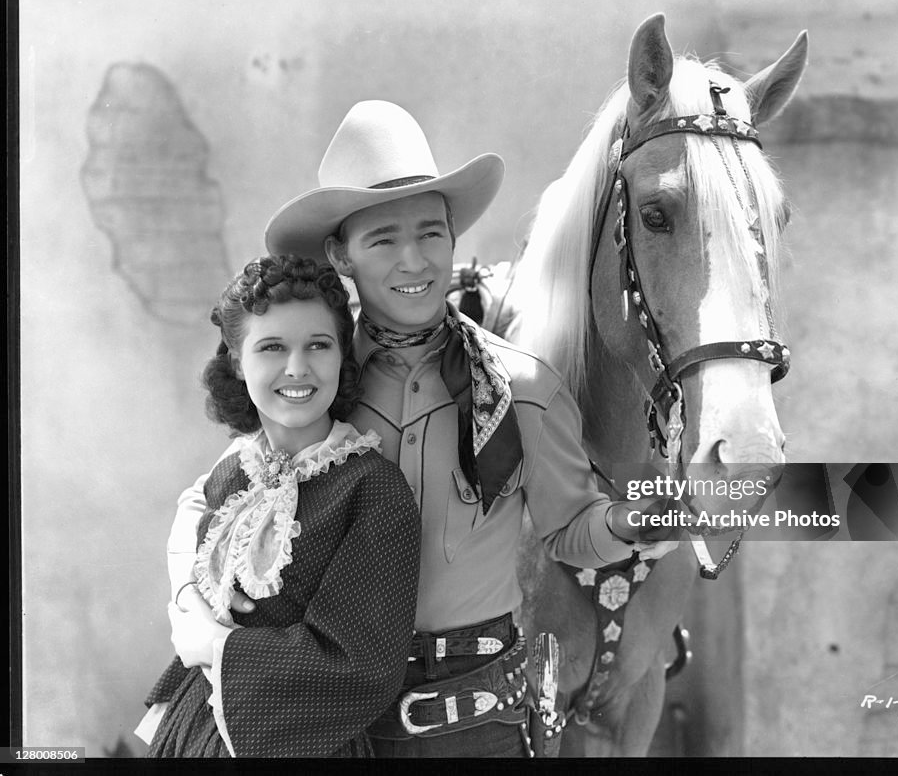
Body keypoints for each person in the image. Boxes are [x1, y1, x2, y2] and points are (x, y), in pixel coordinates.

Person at [165, 101, 679, 758]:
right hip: (331, 726)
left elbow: (573, 530)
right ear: (340, 254)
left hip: (476, 726)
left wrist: (635, 522)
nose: (414, 260)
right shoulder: (316, 384)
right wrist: (191, 607)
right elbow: (232, 491)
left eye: (431, 234)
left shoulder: (522, 389)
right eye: (383, 240)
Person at [137, 254, 420, 757]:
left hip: (294, 741)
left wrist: (218, 648)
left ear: (340, 357)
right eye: (272, 347)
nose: (297, 367)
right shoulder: (232, 473)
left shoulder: (372, 490)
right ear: (236, 362)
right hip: (191, 728)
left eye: (319, 345)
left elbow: (360, 665)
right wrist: (189, 609)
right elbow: (190, 541)